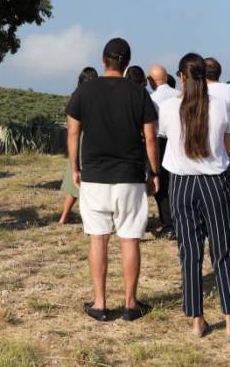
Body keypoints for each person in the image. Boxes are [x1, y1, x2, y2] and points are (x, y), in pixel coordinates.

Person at [66, 38, 159, 322]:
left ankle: (100, 302)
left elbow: (72, 132)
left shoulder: (84, 91)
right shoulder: (139, 93)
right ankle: (131, 304)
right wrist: (154, 172)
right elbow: (151, 137)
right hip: (129, 175)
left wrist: (75, 167)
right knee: (130, 239)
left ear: (103, 59)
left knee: (98, 238)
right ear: (127, 62)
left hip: (94, 174)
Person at [159, 53, 230, 340]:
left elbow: (167, 138)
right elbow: (227, 141)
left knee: (190, 253)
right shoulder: (220, 105)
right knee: (222, 250)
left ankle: (197, 320)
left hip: (182, 185)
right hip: (213, 182)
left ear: (182, 77)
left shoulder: (169, 108)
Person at [203, 57, 230, 233]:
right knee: (229, 185)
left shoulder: (204, 90)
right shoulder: (229, 89)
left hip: (207, 140)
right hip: (228, 138)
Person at [59, 67, 98, 224]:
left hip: (78, 141)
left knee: (73, 181)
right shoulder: (98, 97)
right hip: (93, 140)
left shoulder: (75, 97)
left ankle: (65, 216)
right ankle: (89, 218)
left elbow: (71, 128)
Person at [148, 64, 179, 238]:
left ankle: (168, 224)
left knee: (162, 185)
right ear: (166, 77)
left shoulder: (152, 98)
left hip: (160, 140)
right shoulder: (179, 95)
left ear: (151, 81)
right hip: (179, 140)